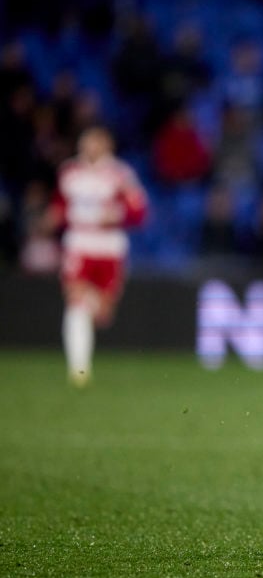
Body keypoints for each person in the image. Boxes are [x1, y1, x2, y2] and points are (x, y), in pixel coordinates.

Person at [49, 126, 148, 386]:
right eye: (87, 141)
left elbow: (139, 212)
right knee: (76, 303)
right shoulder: (69, 171)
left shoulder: (120, 174)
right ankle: (79, 369)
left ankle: (92, 308)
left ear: (107, 146)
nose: (90, 146)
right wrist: (52, 218)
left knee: (103, 312)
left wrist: (117, 215)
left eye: (96, 142)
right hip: (80, 243)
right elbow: (60, 205)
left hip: (109, 246)